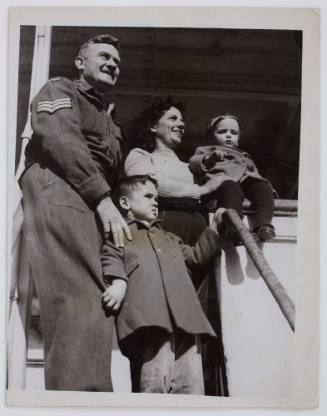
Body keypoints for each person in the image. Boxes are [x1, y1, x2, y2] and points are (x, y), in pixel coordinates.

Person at [19, 34, 131, 391]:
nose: (113, 63)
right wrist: (101, 198)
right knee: (78, 301)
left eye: (117, 60)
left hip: (93, 202)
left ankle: (90, 397)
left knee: (95, 307)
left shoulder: (109, 119)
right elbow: (59, 137)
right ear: (80, 62)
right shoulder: (60, 88)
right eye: (104, 56)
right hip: (64, 189)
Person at [124, 98, 228, 396]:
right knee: (157, 318)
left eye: (182, 119)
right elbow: (147, 184)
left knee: (194, 316)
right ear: (152, 126)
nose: (181, 123)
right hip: (163, 228)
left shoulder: (191, 167)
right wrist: (199, 190)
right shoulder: (140, 155)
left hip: (197, 232)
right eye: (172, 117)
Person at [101, 175, 226, 394]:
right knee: (154, 383)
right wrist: (119, 281)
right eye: (148, 196)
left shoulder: (170, 238)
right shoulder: (121, 234)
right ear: (124, 203)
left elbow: (196, 256)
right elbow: (110, 256)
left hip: (186, 320)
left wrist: (214, 227)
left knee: (192, 385)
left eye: (156, 197)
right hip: (149, 319)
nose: (155, 201)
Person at [189, 114, 276, 242]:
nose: (228, 135)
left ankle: (263, 226)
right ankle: (233, 228)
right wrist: (210, 158)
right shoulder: (206, 150)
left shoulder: (245, 155)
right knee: (231, 188)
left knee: (262, 187)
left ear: (238, 138)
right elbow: (194, 162)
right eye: (222, 131)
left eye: (233, 132)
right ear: (212, 136)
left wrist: (265, 188)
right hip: (221, 182)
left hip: (245, 180)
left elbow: (256, 175)